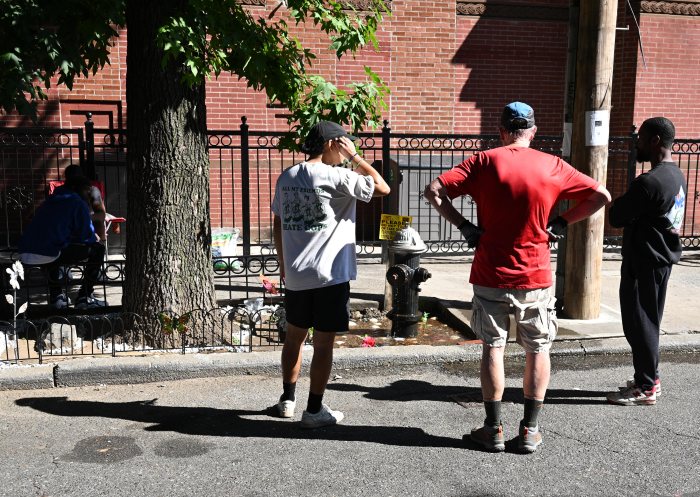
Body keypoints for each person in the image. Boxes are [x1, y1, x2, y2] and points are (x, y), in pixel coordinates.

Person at [424, 102, 610, 453]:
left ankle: (493, 428)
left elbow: (433, 191)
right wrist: (561, 222)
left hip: (490, 272)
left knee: (493, 348)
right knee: (538, 348)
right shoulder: (552, 165)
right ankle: (530, 431)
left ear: (502, 130)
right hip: (535, 275)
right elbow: (601, 195)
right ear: (534, 131)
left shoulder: (482, 161)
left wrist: (465, 226)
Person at [271, 120, 390, 428]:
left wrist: (283, 264)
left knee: (294, 338)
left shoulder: (287, 177)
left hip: (296, 275)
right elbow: (382, 187)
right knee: (323, 344)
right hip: (329, 277)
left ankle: (287, 400)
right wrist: (356, 158)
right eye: (344, 143)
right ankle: (313, 411)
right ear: (332, 144)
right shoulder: (340, 176)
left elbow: (277, 223)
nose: (348, 148)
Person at [606, 117, 687, 406]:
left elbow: (616, 216)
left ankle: (646, 387)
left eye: (641, 137)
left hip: (644, 261)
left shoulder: (648, 182)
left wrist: (617, 204)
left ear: (654, 141)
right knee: (648, 320)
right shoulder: (676, 175)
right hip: (661, 259)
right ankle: (649, 376)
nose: (636, 142)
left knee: (639, 323)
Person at [18, 174, 107, 309]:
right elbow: (86, 235)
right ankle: (84, 297)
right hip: (48, 252)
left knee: (55, 249)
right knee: (98, 249)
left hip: (26, 252)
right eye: (86, 190)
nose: (88, 194)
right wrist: (95, 238)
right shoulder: (77, 202)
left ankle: (56, 297)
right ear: (78, 189)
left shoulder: (51, 200)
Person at [63, 164, 107, 241]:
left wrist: (83, 218)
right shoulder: (63, 192)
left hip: (86, 227)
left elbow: (101, 215)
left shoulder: (92, 191)